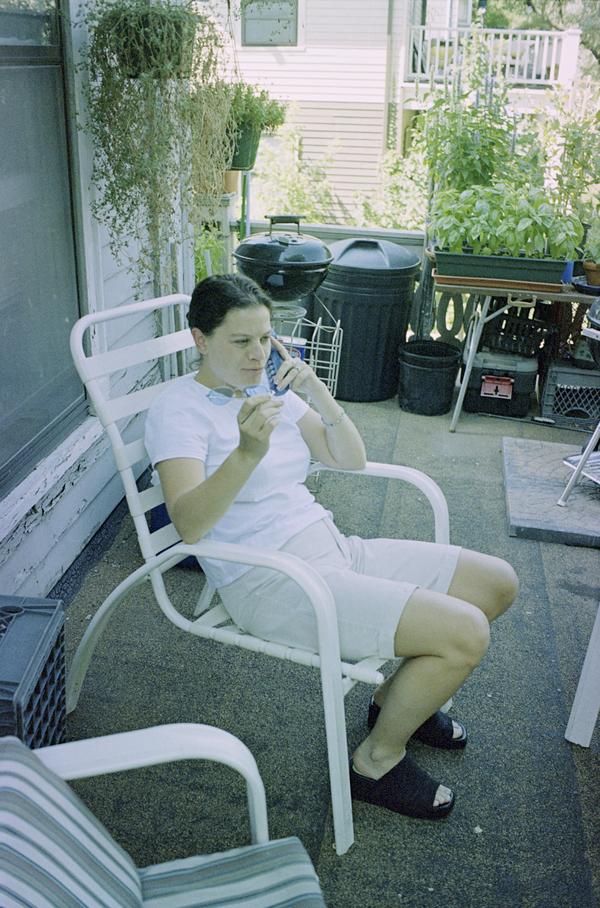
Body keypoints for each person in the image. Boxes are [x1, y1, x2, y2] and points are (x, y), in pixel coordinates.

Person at [144, 273, 518, 820]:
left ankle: (394, 703)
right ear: (200, 340)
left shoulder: (267, 389)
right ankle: (375, 761)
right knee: (465, 633)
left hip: (334, 548)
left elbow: (350, 458)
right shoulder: (177, 410)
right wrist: (245, 454)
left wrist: (313, 391)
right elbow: (190, 526)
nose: (257, 355)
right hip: (272, 582)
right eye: (240, 341)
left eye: (265, 338)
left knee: (497, 583)